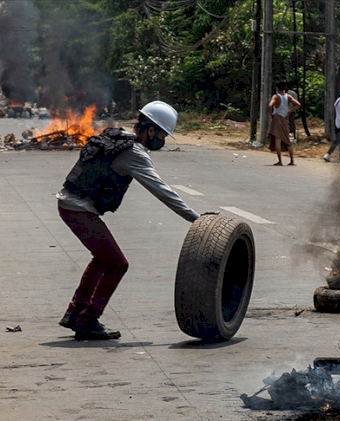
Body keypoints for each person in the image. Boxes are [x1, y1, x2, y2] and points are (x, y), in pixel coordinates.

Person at [56, 100, 218, 340]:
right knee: (118, 264)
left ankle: (74, 312)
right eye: (162, 135)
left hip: (70, 203)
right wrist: (196, 219)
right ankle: (88, 320)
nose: (162, 141)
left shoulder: (118, 136)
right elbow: (163, 191)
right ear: (151, 130)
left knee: (103, 260)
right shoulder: (134, 154)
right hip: (79, 209)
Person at [267, 81, 301, 166]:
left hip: (277, 117)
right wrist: (289, 111)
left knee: (277, 139)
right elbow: (298, 104)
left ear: (277, 88)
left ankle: (280, 161)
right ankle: (292, 160)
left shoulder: (276, 96)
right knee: (287, 139)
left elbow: (270, 105)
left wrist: (271, 114)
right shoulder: (288, 96)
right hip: (285, 118)